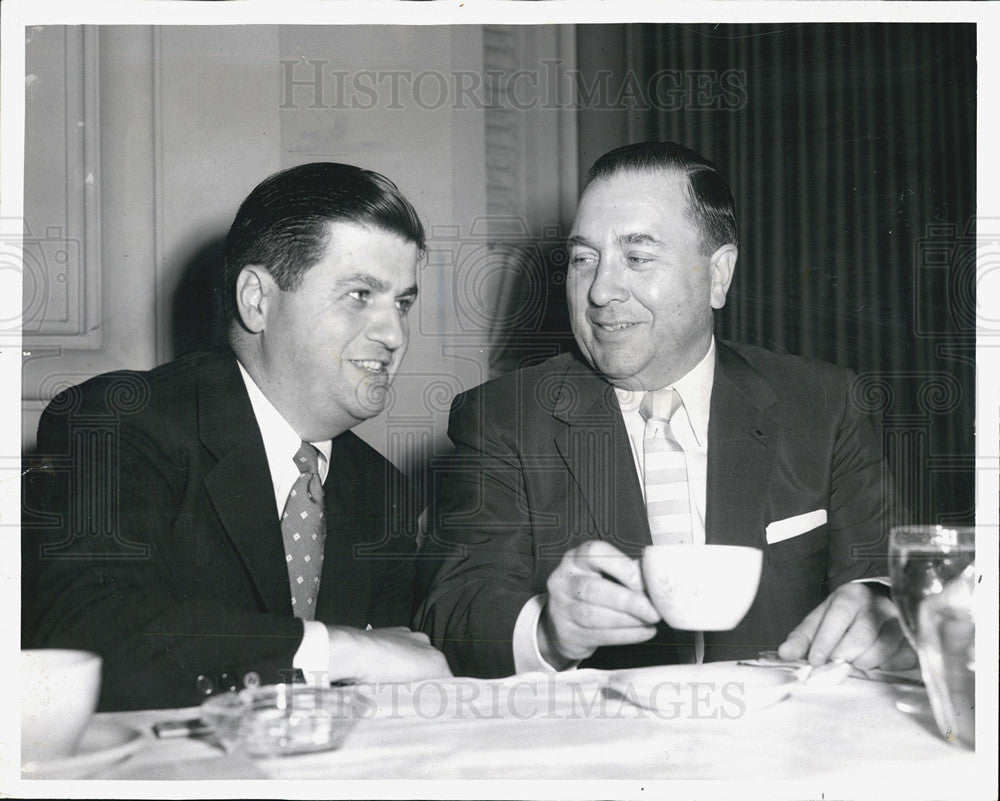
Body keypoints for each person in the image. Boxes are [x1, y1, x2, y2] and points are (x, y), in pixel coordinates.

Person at [416, 141, 915, 678]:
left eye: (637, 258)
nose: (601, 291)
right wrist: (547, 628)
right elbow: (452, 612)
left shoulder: (823, 405)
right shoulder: (504, 419)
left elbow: (888, 574)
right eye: (584, 260)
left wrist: (880, 604)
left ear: (718, 275)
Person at [22, 162, 451, 711]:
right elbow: (80, 632)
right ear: (257, 300)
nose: (394, 335)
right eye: (361, 295)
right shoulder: (119, 424)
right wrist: (335, 648)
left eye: (403, 303)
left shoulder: (384, 492)